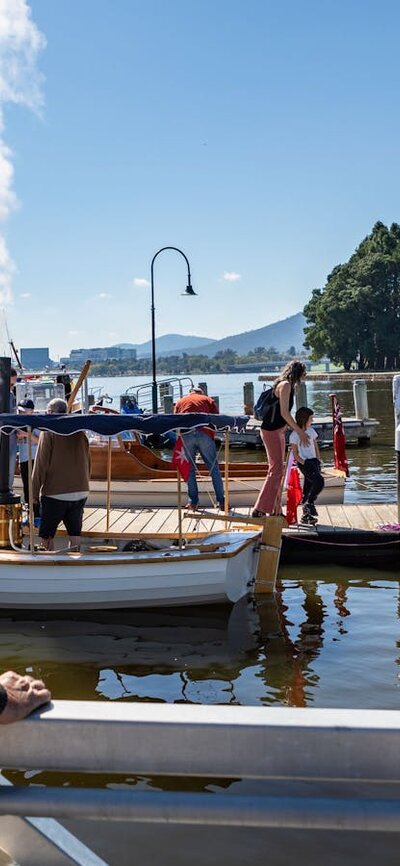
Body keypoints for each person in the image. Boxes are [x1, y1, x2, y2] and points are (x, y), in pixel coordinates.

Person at [252, 360, 309, 518]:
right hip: (272, 431)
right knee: (276, 470)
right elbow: (285, 413)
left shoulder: (283, 384)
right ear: (297, 374)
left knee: (278, 470)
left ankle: (276, 510)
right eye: (302, 375)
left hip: (278, 430)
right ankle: (260, 509)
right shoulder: (285, 385)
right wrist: (299, 431)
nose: (302, 379)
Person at [32, 397, 90, 550]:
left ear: (50, 412)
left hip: (55, 493)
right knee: (75, 533)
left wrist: (33, 494)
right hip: (81, 490)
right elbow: (88, 461)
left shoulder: (49, 431)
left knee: (46, 535)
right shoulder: (80, 430)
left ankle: (47, 565)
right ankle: (75, 565)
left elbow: (40, 465)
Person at [174, 385, 225, 510]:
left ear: (190, 393)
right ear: (201, 393)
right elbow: (216, 419)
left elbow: (175, 420)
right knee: (213, 468)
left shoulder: (181, 401)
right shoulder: (208, 399)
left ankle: (193, 502)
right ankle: (222, 501)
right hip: (205, 433)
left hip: (186, 434)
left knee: (189, 469)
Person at [289, 407, 324, 524]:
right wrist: (304, 463)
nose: (312, 421)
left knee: (308, 487)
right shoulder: (294, 435)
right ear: (304, 419)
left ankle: (306, 515)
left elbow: (315, 445)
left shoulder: (311, 431)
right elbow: (295, 454)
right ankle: (309, 502)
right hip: (305, 463)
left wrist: (318, 459)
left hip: (314, 461)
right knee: (319, 481)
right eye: (311, 418)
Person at [16, 398, 41, 526]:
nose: (21, 414)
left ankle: (37, 515)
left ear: (31, 411)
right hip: (24, 459)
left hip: (35, 458)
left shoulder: (36, 423)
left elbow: (40, 441)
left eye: (23, 411)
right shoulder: (17, 422)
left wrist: (26, 435)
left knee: (35, 488)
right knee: (27, 489)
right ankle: (31, 515)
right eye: (19, 411)